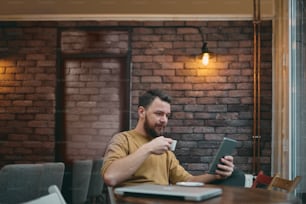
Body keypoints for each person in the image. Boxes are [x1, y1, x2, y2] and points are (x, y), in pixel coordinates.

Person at [101, 89, 244, 187]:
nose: (164, 120)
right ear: (141, 112)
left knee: (236, 176)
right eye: (158, 113)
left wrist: (217, 176)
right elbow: (110, 177)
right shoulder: (123, 139)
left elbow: (188, 180)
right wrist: (149, 148)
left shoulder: (165, 150)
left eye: (167, 115)